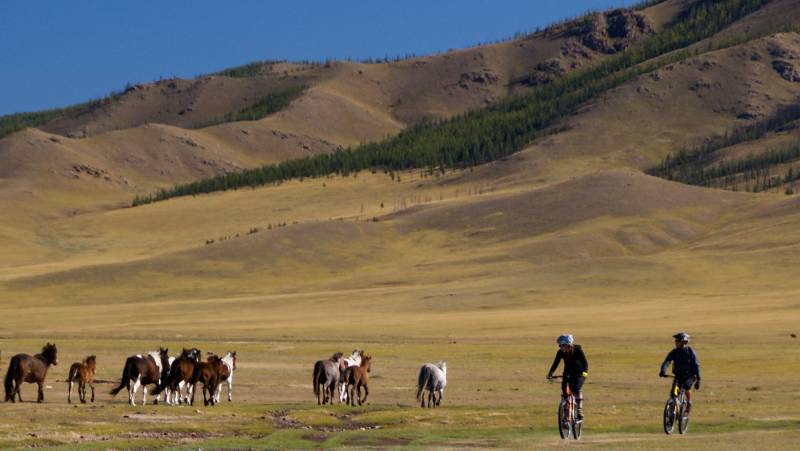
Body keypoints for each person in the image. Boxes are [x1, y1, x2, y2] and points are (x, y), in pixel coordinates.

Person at [547, 334, 588, 420]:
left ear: (569, 345)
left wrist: (584, 373)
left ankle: (579, 410)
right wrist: (550, 373)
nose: (560, 347)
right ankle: (566, 413)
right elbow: (556, 363)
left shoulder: (578, 351)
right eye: (560, 345)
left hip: (579, 373)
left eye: (562, 345)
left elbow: (585, 363)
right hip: (567, 373)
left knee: (576, 388)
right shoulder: (560, 352)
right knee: (565, 390)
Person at [659, 332, 701, 413]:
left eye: (678, 341)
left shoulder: (690, 352)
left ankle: (689, 402)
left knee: (686, 386)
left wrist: (698, 379)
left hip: (689, 376)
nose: (676, 342)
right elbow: (667, 361)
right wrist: (663, 371)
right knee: (674, 394)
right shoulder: (674, 352)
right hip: (678, 376)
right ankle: (673, 411)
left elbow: (696, 365)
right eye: (676, 341)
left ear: (684, 342)